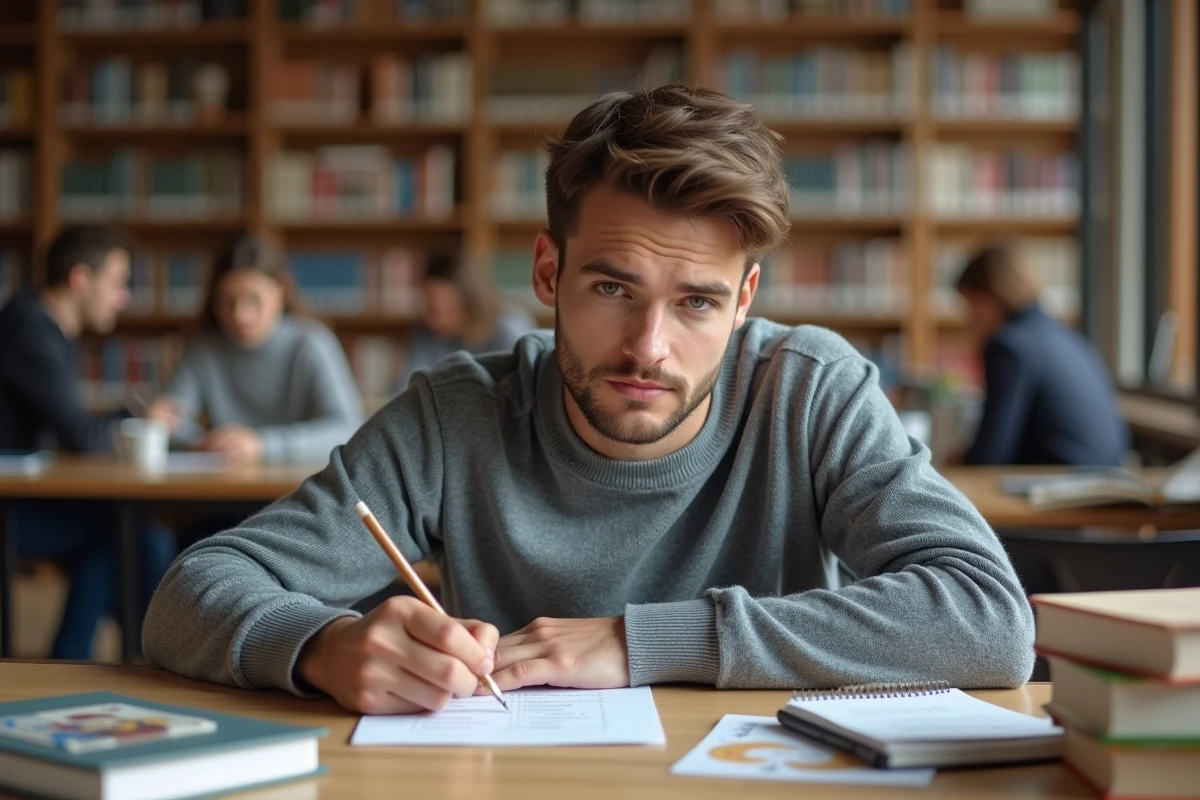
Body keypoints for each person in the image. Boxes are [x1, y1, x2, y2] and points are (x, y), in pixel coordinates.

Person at [144, 86, 1035, 713]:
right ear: (548, 271)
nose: (650, 347)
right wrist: (322, 647)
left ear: (745, 301)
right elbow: (190, 593)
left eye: (697, 303)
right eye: (613, 288)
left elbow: (989, 621)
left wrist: (641, 641)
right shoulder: (458, 414)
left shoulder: (808, 389)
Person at [0, 225, 175, 659]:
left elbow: (71, 429)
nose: (123, 298)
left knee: (120, 530)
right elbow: (81, 437)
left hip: (20, 496)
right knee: (125, 532)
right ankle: (153, 654)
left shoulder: (46, 329)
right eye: (117, 283)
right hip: (7, 505)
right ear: (80, 279)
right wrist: (138, 416)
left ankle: (107, 656)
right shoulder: (29, 329)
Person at [148, 234, 364, 466]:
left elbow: (347, 429)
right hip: (222, 485)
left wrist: (262, 445)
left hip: (298, 486)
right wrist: (202, 442)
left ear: (283, 291)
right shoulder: (204, 349)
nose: (241, 316)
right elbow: (171, 422)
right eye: (228, 302)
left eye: (254, 301)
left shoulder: (311, 345)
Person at [956, 244, 1129, 466]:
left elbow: (989, 455)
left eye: (970, 304)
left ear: (988, 298)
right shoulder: (1062, 335)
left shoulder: (1009, 346)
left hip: (1059, 485)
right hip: (1106, 476)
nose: (968, 319)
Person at [394, 252, 536, 391]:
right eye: (429, 307)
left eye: (447, 309)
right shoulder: (426, 333)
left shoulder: (510, 329)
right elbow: (406, 388)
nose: (434, 319)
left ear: (470, 302)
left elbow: (519, 393)